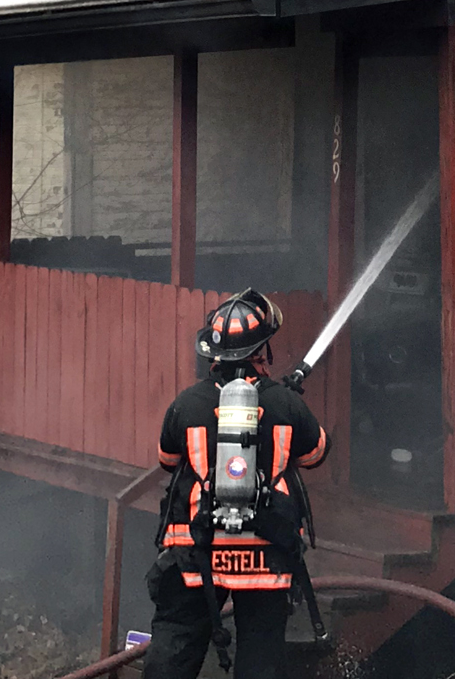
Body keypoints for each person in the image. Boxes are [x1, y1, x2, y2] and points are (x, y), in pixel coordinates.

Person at [144, 289, 327, 679]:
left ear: (214, 354)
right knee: (261, 654)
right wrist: (285, 405)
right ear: (261, 351)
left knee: (175, 641)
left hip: (197, 549)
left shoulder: (186, 403)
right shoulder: (286, 403)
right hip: (265, 553)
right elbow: (315, 454)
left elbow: (167, 460)